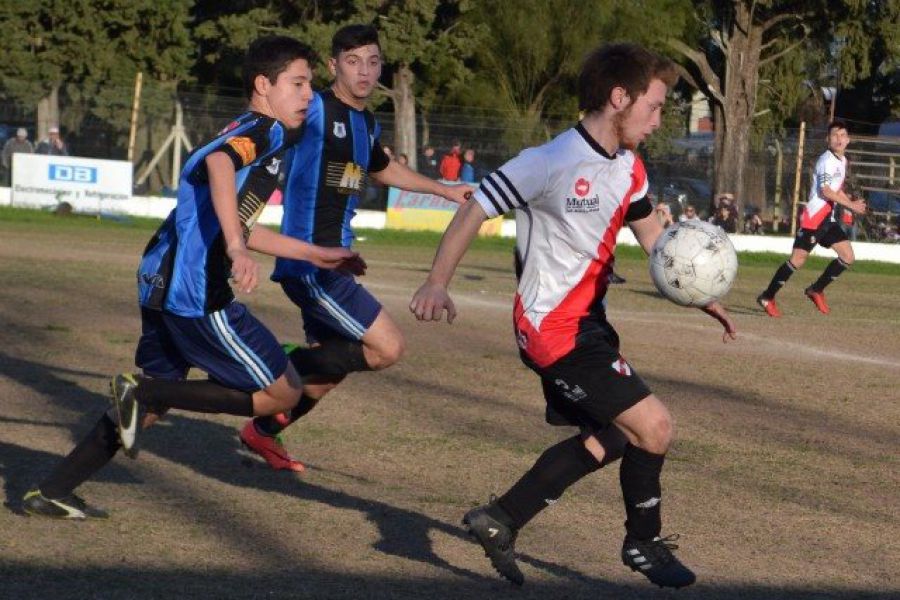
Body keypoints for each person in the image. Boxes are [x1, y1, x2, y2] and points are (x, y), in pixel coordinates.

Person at [410, 43, 735, 589]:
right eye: (653, 106)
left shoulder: (629, 168)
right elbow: (475, 207)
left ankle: (502, 519)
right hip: (553, 329)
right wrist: (437, 281)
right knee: (654, 427)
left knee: (616, 436)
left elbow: (651, 233)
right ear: (618, 98)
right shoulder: (550, 161)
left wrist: (698, 289)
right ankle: (643, 543)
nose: (658, 120)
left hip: (589, 324)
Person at [21, 36, 364, 519]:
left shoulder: (257, 130)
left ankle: (52, 489)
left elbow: (238, 216)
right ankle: (144, 392)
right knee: (281, 391)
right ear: (264, 85)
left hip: (160, 277)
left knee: (148, 404)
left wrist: (314, 252)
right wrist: (235, 247)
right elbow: (219, 163)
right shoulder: (261, 131)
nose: (309, 94)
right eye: (299, 83)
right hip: (196, 289)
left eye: (310, 85)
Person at [238, 24, 472, 472]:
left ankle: (262, 432)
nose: (364, 71)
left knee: (330, 373)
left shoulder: (366, 122)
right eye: (352, 61)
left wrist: (444, 191)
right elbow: (265, 132)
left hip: (337, 261)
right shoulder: (316, 108)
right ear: (332, 66)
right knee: (386, 348)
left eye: (372, 61)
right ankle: (284, 364)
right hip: (311, 261)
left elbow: (383, 169)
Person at [756, 120, 866, 317]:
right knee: (797, 260)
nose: (839, 139)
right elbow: (825, 191)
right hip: (814, 218)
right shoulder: (827, 161)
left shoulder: (842, 161)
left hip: (827, 219)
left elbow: (835, 190)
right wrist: (851, 206)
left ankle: (816, 289)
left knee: (847, 256)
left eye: (842, 135)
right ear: (827, 139)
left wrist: (850, 202)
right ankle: (767, 296)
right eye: (834, 135)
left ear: (848, 140)